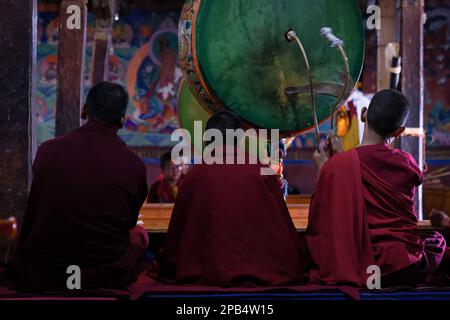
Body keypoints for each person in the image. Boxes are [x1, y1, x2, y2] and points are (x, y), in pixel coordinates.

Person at [7, 82, 149, 291]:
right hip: (102, 273)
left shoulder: (48, 151)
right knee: (139, 237)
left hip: (43, 271)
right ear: (122, 120)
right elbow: (128, 222)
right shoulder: (133, 164)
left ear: (84, 110)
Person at [307, 89, 448, 287]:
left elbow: (320, 222)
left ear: (364, 114)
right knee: (437, 241)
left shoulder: (336, 167)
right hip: (403, 266)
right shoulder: (405, 162)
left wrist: (325, 170)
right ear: (399, 132)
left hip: (359, 266)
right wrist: (339, 163)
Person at [152, 111, 305, 286]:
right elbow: (283, 226)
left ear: (208, 140)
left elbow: (176, 237)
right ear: (240, 139)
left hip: (207, 273)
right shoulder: (262, 170)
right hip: (261, 271)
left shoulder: (195, 175)